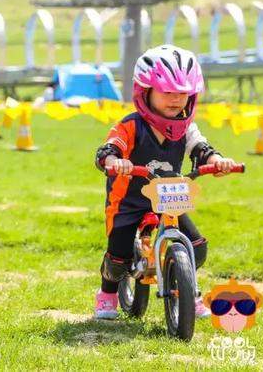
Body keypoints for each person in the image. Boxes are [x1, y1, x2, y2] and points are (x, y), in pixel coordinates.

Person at [93, 44, 238, 320]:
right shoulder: (131, 126)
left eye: (183, 92)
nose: (176, 99)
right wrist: (114, 161)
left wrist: (217, 160)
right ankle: (108, 294)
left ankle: (186, 289)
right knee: (119, 254)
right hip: (129, 199)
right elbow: (109, 148)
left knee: (196, 245)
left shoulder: (186, 128)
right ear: (145, 91)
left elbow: (202, 149)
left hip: (168, 197)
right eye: (167, 91)